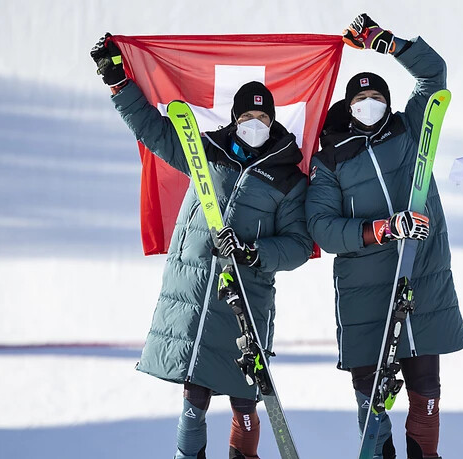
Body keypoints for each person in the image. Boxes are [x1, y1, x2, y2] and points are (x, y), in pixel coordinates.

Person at [90, 34, 313, 459]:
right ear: (234, 118)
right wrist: (118, 82)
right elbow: (154, 132)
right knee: (193, 401)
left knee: (247, 402)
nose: (254, 124)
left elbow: (299, 244)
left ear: (273, 122)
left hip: (244, 297)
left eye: (262, 118)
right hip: (195, 293)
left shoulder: (287, 177)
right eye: (247, 116)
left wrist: (254, 252)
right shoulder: (205, 152)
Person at [305, 14, 463, 459]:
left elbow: (433, 75)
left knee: (426, 394)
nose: (370, 103)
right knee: (372, 402)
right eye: (361, 98)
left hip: (421, 281)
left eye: (378, 96)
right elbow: (321, 227)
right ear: (348, 106)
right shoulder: (329, 160)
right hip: (365, 295)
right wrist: (382, 229)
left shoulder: (409, 129)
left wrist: (387, 43)